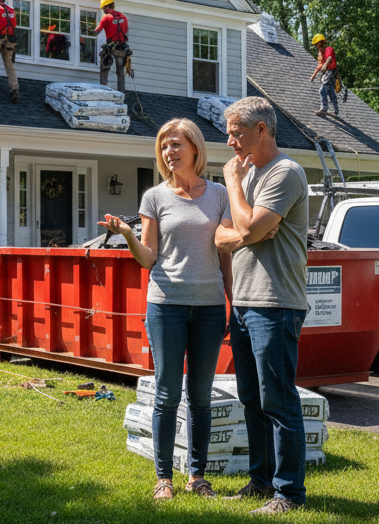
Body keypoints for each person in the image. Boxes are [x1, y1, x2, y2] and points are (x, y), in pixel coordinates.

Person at [99, 119, 233, 502]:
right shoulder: (154, 197)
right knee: (166, 394)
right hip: (166, 306)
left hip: (208, 308)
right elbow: (148, 258)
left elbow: (224, 253)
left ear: (194, 148)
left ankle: (197, 476)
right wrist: (127, 236)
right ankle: (163, 479)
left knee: (202, 396)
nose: (169, 153)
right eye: (164, 147)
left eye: (176, 145)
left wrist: (232, 301)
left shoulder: (219, 195)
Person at [215, 96, 309, 514]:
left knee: (279, 400)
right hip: (243, 300)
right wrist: (246, 232)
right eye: (229, 133)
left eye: (237, 132)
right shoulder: (250, 172)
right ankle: (260, 482)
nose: (230, 141)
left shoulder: (285, 172)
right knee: (252, 398)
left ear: (262, 130)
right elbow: (224, 234)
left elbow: (249, 225)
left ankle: (289, 494)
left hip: (276, 303)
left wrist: (234, 188)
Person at [93, 0, 130, 92]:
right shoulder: (123, 17)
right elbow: (125, 31)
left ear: (106, 7)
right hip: (121, 48)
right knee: (120, 71)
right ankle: (121, 93)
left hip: (110, 47)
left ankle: (102, 90)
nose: (104, 10)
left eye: (104, 7)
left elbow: (98, 31)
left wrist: (88, 30)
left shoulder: (106, 18)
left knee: (104, 68)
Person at [308, 33, 339, 119]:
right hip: (330, 73)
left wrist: (325, 65)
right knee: (330, 92)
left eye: (318, 45)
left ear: (322, 43)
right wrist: (313, 75)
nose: (318, 48)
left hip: (330, 72)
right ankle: (335, 111)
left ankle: (324, 109)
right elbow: (320, 65)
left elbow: (329, 59)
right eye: (316, 46)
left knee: (322, 90)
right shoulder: (322, 53)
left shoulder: (328, 49)